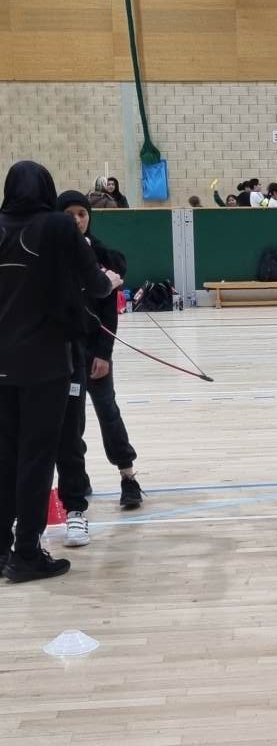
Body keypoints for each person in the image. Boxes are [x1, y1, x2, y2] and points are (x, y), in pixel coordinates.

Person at [0, 162, 122, 583]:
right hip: (45, 362)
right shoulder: (57, 226)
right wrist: (109, 281)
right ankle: (26, 553)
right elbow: (95, 283)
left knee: (4, 456)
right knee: (36, 457)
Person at [54, 190, 144, 546]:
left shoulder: (103, 255)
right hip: (65, 353)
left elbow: (108, 310)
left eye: (82, 213)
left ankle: (128, 476)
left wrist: (104, 353)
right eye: (69, 214)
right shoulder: (52, 257)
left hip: (95, 352)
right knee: (70, 421)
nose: (77, 220)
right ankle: (77, 481)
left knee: (108, 411)